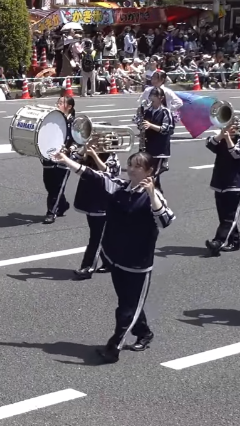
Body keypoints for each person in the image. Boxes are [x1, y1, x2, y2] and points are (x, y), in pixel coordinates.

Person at [49, 150, 174, 363]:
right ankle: (144, 332)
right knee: (127, 302)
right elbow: (92, 175)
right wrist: (66, 160)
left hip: (138, 263)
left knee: (126, 308)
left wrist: (152, 193)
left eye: (138, 166)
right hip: (116, 256)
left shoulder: (153, 196)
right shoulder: (120, 187)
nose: (132, 169)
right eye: (130, 164)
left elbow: (165, 221)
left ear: (150, 171)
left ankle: (114, 347)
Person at [71, 139, 121, 279]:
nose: (96, 144)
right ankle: (109, 262)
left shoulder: (112, 155)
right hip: (89, 199)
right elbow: (72, 160)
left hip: (102, 201)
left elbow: (110, 172)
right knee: (99, 234)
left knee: (96, 237)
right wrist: (84, 148)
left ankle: (88, 267)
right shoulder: (86, 154)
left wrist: (94, 155)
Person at [204, 121, 240, 256]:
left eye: (232, 126)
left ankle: (218, 242)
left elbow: (238, 155)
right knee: (224, 216)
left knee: (230, 217)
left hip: (236, 183)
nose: (230, 128)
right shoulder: (220, 138)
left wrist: (228, 139)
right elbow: (209, 144)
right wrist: (222, 135)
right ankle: (234, 241)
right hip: (219, 182)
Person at [42, 96, 76, 224]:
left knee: (57, 186)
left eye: (62, 103)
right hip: (49, 155)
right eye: (58, 102)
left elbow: (79, 140)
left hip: (65, 157)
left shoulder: (74, 122)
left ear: (69, 107)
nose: (58, 104)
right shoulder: (52, 119)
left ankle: (51, 212)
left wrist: (70, 149)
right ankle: (62, 204)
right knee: (49, 184)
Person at [137, 86, 174, 192]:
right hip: (147, 146)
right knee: (148, 174)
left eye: (154, 95)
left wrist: (150, 125)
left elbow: (167, 129)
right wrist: (139, 121)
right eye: (151, 95)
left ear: (161, 98)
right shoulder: (147, 111)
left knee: (153, 175)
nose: (151, 98)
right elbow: (140, 124)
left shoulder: (165, 112)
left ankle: (154, 196)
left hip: (159, 149)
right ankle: (155, 195)